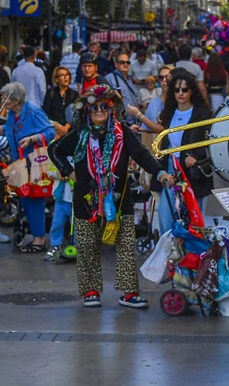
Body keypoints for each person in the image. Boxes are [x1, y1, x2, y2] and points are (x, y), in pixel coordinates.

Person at [48, 84, 173, 308]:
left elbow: (141, 155)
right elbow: (54, 150)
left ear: (111, 110)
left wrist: (161, 172)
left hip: (118, 198)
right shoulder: (79, 135)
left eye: (104, 107)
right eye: (94, 107)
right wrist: (71, 172)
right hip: (87, 201)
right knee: (87, 247)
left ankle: (129, 293)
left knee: (125, 246)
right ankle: (91, 292)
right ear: (87, 111)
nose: (99, 111)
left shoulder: (122, 132)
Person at [0, 83, 55, 252]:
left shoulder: (33, 112)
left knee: (35, 200)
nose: (1, 100)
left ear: (14, 99)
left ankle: (39, 240)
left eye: (4, 97)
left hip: (33, 163)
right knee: (25, 199)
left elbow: (50, 131)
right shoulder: (13, 114)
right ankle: (36, 235)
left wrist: (32, 138)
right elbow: (9, 129)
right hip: (19, 164)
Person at [154, 70, 213, 235]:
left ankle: (191, 256)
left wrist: (196, 156)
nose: (180, 93)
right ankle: (170, 254)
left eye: (185, 90)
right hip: (171, 168)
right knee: (165, 215)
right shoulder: (168, 113)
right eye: (177, 90)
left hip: (192, 172)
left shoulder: (202, 114)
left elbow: (209, 142)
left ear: (191, 91)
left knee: (193, 218)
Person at [43, 66, 79, 138]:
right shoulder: (51, 93)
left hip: (70, 132)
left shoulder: (74, 94)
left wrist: (65, 128)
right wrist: (57, 126)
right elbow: (45, 113)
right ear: (56, 79)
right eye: (62, 75)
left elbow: (76, 113)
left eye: (67, 74)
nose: (65, 77)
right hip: (53, 131)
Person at [107, 53, 140, 125]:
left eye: (128, 62)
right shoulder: (109, 78)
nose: (125, 64)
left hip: (133, 122)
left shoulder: (130, 79)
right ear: (116, 64)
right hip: (120, 122)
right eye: (122, 62)